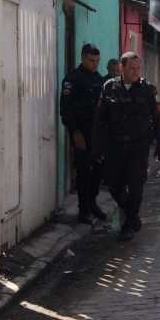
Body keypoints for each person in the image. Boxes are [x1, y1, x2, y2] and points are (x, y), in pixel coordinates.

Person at [93, 52, 160, 242]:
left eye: (138, 68)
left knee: (136, 185)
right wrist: (97, 146)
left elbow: (158, 118)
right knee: (114, 185)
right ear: (122, 68)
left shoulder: (148, 89)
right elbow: (100, 119)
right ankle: (132, 215)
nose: (136, 72)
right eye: (132, 68)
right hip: (115, 145)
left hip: (139, 144)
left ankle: (127, 226)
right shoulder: (110, 88)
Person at [60, 43, 107, 224]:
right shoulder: (73, 79)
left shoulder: (99, 80)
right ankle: (83, 209)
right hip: (82, 132)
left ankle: (92, 202)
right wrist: (75, 131)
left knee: (101, 168)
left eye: (97, 61)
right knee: (84, 170)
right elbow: (66, 109)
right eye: (91, 60)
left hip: (98, 134)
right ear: (83, 58)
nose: (95, 64)